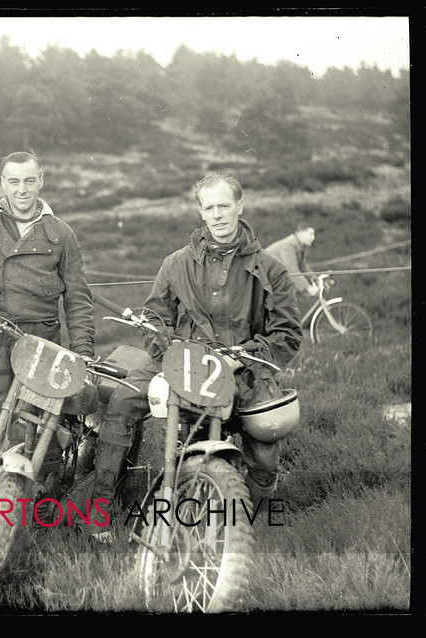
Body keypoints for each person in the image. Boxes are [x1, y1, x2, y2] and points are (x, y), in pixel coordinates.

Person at [90, 172, 303, 530]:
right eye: (209, 207)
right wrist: (170, 349)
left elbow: (288, 334)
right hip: (181, 364)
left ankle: (244, 523)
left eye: (224, 205)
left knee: (266, 446)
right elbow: (154, 316)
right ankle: (100, 507)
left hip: (244, 370)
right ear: (200, 213)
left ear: (240, 206)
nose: (217, 214)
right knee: (123, 400)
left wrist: (240, 357)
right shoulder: (176, 264)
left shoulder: (271, 269)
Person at [0, 151, 95, 476]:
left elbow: (78, 299)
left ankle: (42, 510)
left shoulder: (61, 234)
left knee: (41, 427)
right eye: (14, 181)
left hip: (42, 343)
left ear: (41, 181)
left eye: (29, 180)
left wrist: (83, 353)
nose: (22, 189)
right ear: (3, 183)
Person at [264, 223, 318, 300]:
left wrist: (316, 279)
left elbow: (303, 267)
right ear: (300, 234)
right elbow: (291, 269)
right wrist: (308, 287)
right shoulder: (289, 245)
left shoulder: (299, 247)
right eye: (310, 234)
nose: (313, 238)